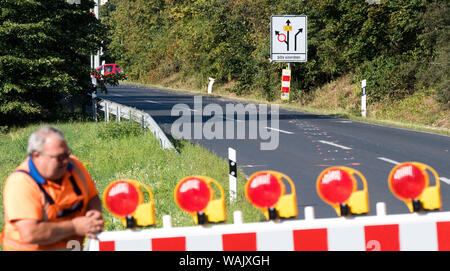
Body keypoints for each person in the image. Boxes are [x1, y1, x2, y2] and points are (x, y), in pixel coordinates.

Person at [1, 126, 104, 251]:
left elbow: (93, 196)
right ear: (37, 155)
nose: (66, 161)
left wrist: (94, 212)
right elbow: (31, 233)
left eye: (67, 154)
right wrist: (74, 227)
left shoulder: (74, 165)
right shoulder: (21, 183)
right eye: (59, 157)